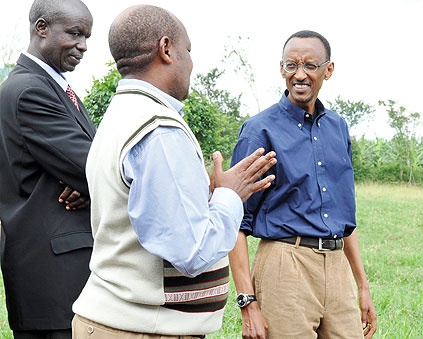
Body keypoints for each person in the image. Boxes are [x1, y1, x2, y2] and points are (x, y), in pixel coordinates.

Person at [71, 5, 276, 339]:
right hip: (141, 329)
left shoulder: (122, 113)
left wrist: (203, 197)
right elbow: (191, 252)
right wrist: (229, 196)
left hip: (118, 323)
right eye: (188, 51)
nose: (191, 63)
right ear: (166, 49)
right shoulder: (158, 130)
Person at [229, 30, 377, 339]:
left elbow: (345, 218)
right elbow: (234, 222)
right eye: (291, 65)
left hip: (337, 269)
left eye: (310, 65)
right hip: (285, 265)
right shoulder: (260, 131)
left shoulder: (338, 127)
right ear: (281, 68)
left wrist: (362, 286)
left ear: (328, 70)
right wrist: (247, 303)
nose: (300, 74)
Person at [0, 0, 95, 338]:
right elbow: (93, 166)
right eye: (75, 33)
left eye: (86, 37)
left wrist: (85, 183)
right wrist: (88, 181)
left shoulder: (55, 87)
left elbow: (85, 167)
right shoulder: (29, 91)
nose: (83, 46)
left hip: (62, 278)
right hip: (54, 281)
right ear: (42, 28)